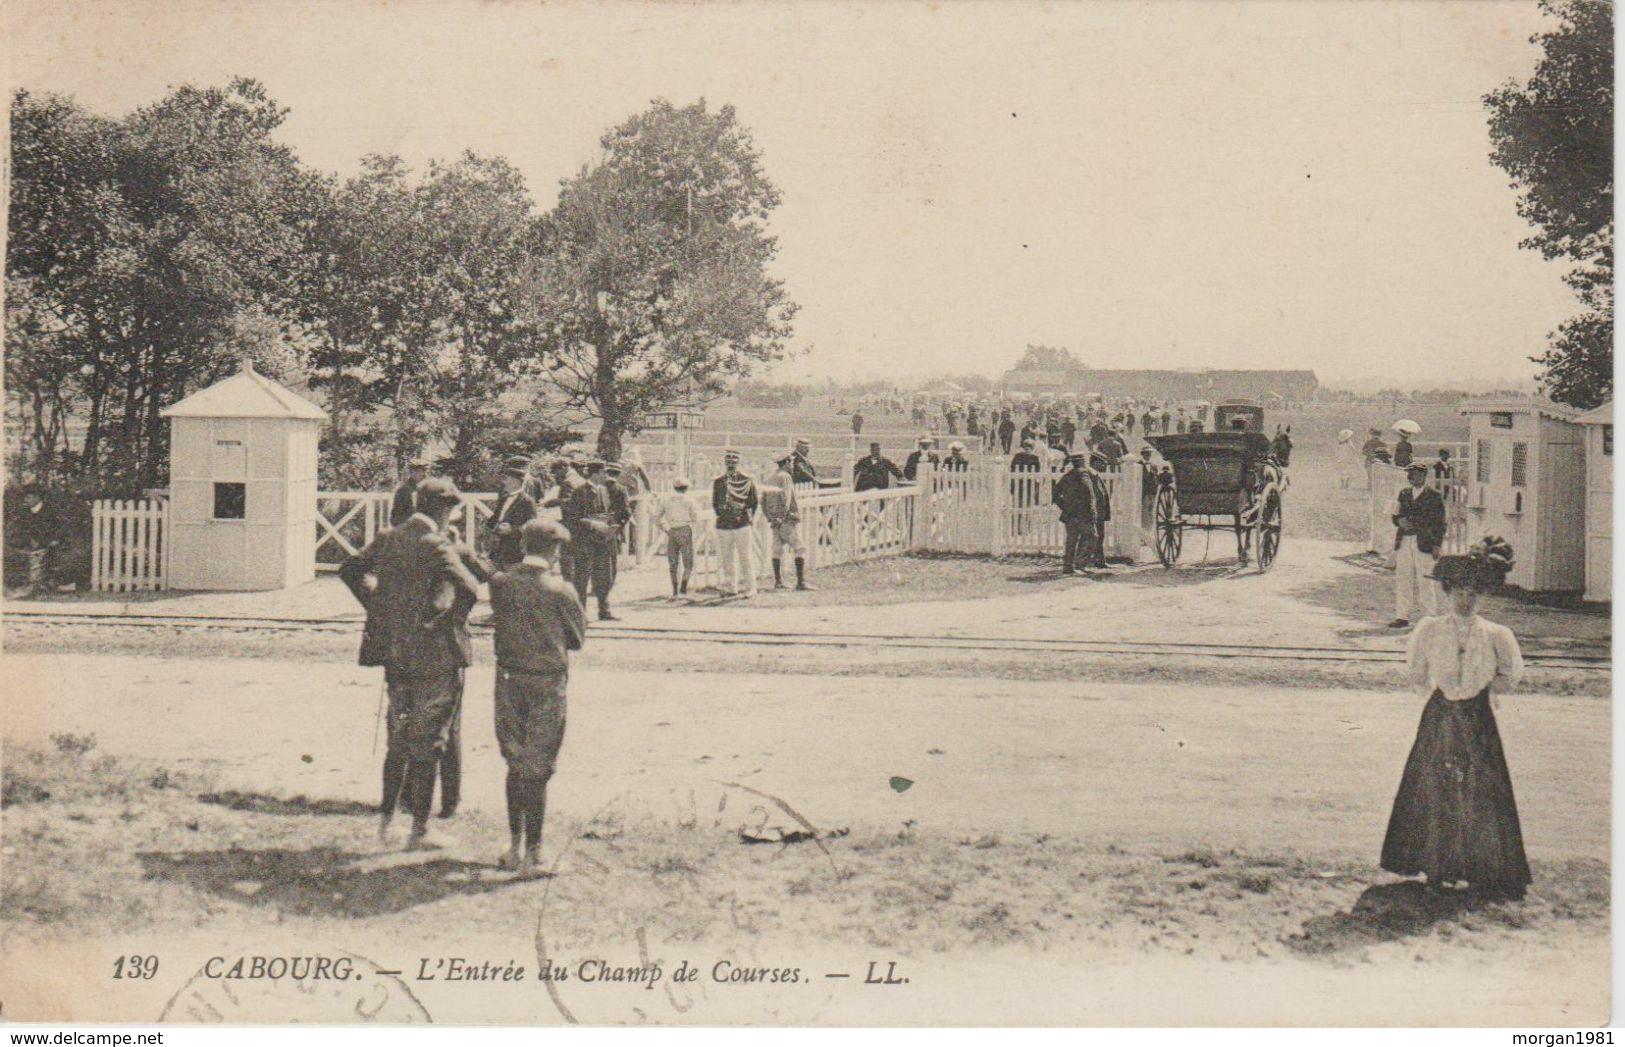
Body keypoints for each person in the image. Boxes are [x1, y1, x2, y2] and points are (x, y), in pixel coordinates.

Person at [339, 477, 489, 850]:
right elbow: (470, 588)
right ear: (444, 510)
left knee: (398, 740)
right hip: (435, 655)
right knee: (431, 743)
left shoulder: (389, 537)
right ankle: (418, 831)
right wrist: (447, 621)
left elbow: (351, 570)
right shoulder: (436, 544)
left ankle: (386, 825)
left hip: (395, 652)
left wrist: (377, 609)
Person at [1381, 538, 1529, 901]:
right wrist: (1444, 693)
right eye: (1459, 592)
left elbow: (1510, 675)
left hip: (1477, 717)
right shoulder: (1430, 630)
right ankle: (1435, 866)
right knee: (1434, 786)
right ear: (1448, 592)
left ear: (1482, 596)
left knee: (1482, 788)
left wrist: (1482, 691)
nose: (1466, 600)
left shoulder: (1496, 635)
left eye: (1473, 593)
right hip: (1441, 715)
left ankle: (1484, 868)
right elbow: (1417, 673)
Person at [487, 519, 586, 878]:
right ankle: (535, 853)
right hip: (546, 682)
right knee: (538, 766)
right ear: (555, 550)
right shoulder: (561, 590)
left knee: (515, 761)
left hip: (509, 678)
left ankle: (514, 847)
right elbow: (576, 638)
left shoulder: (501, 584)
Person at [1390, 463, 1446, 629]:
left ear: (1423, 475)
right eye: (1409, 474)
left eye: (1414, 474)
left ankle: (1430, 617)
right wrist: (1399, 520)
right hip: (1404, 541)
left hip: (1424, 542)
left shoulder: (1434, 496)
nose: (1410, 477)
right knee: (1403, 579)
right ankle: (1402, 616)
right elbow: (1395, 514)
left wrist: (1437, 544)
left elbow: (1440, 523)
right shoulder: (1404, 494)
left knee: (1425, 579)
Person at [566, 460, 619, 621]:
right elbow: (573, 518)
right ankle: (580, 614)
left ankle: (604, 611)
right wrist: (593, 523)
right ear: (595, 473)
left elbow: (607, 512)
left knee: (604, 577)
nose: (606, 476)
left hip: (602, 541)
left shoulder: (603, 490)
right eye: (603, 472)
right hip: (585, 541)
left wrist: (610, 525)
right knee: (582, 578)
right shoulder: (580, 492)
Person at [712, 450, 759, 598]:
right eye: (728, 462)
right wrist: (723, 514)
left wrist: (748, 518)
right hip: (724, 524)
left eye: (734, 462)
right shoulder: (719, 481)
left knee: (745, 557)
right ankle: (731, 587)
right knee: (727, 558)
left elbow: (753, 502)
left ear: (738, 463)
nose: (731, 464)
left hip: (741, 523)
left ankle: (751, 587)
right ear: (725, 463)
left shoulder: (747, 480)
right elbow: (715, 503)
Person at [763, 454, 812, 591]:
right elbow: (786, 499)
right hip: (786, 520)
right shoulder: (785, 477)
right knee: (800, 548)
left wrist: (771, 518)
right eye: (791, 462)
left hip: (774, 521)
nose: (792, 465)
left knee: (776, 550)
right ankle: (800, 582)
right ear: (785, 463)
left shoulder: (770, 478)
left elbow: (763, 501)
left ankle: (778, 581)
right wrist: (782, 517)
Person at [654, 476, 700, 598]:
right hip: (684, 529)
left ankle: (675, 590)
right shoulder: (689, 500)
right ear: (686, 488)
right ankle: (683, 590)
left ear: (674, 487)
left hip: (672, 530)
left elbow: (656, 517)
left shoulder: (666, 500)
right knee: (688, 563)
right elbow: (696, 516)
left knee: (673, 563)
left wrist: (665, 528)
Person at [1052, 452, 1096, 575]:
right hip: (1083, 513)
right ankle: (1080, 564)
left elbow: (1055, 493)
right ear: (1082, 462)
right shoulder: (1084, 474)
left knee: (1071, 540)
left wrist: (1064, 506)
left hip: (1070, 513)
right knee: (1092, 536)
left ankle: (1068, 566)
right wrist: (1091, 511)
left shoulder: (1067, 475)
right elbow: (1089, 494)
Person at [487, 465, 538, 570]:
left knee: (512, 582)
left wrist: (512, 530)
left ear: (515, 482)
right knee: (495, 581)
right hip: (497, 549)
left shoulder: (527, 501)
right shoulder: (504, 498)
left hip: (514, 550)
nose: (504, 482)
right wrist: (493, 527)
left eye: (507, 479)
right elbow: (494, 519)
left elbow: (532, 527)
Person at [389, 457, 431, 527]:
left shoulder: (430, 488)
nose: (414, 473)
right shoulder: (403, 490)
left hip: (428, 526)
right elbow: (396, 515)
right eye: (412, 471)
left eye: (417, 470)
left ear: (423, 472)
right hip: (408, 526)